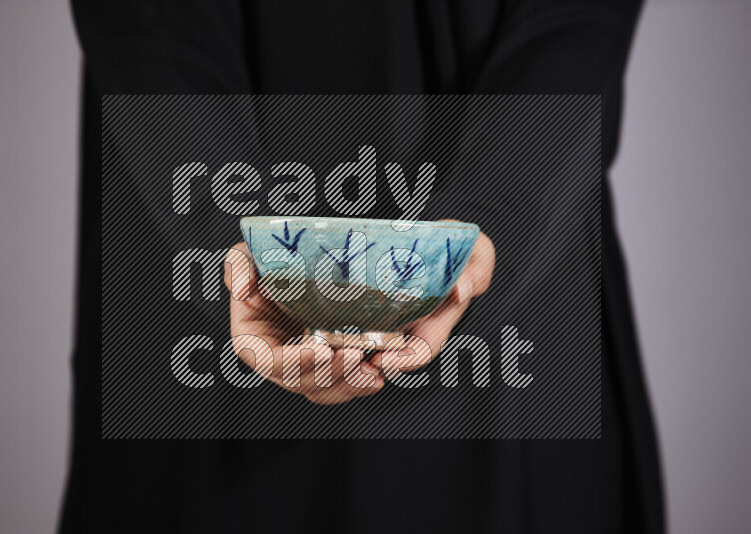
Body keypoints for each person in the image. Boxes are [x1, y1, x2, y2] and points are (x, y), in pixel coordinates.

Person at [61, 1, 664, 532]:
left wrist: (488, 220)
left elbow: (576, 18)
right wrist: (238, 246)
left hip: (519, 262)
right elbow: (147, 22)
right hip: (206, 291)